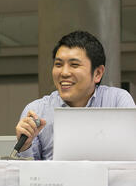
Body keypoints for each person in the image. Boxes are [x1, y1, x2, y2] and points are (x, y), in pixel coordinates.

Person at [16, 30, 135, 160]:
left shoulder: (117, 102)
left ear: (98, 73)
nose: (64, 72)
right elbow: (27, 176)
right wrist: (25, 146)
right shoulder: (36, 111)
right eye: (58, 64)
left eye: (74, 65)